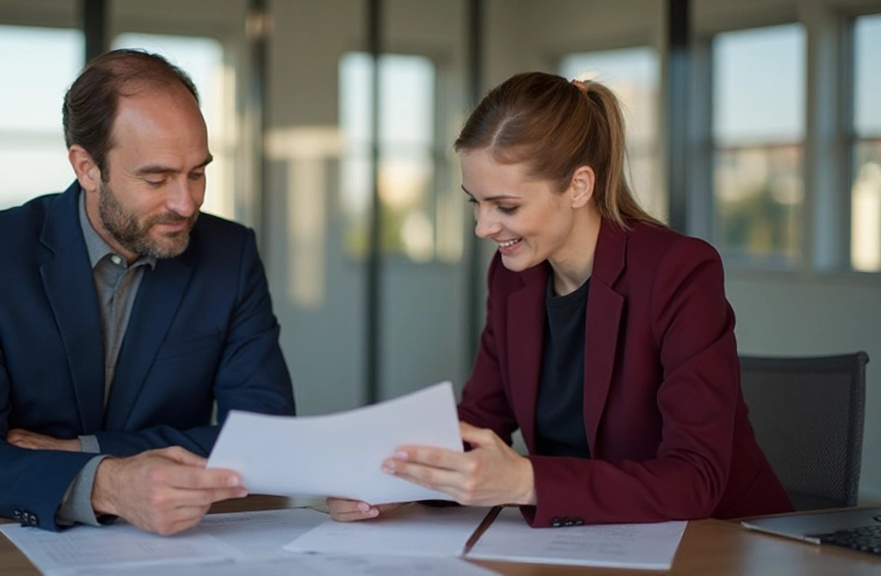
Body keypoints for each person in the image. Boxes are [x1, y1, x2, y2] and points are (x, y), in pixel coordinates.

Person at [327, 72, 793, 526]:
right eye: (476, 202)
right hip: (583, 543)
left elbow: (696, 478)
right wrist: (394, 481)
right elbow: (479, 421)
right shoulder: (513, 277)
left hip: (724, 543)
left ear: (578, 186)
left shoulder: (680, 272)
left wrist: (526, 482)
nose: (483, 228)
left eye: (506, 207)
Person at [0, 49, 295, 535]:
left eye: (197, 172)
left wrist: (84, 452)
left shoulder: (231, 254)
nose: (186, 203)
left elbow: (267, 437)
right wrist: (107, 485)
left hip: (171, 542)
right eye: (156, 178)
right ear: (87, 168)